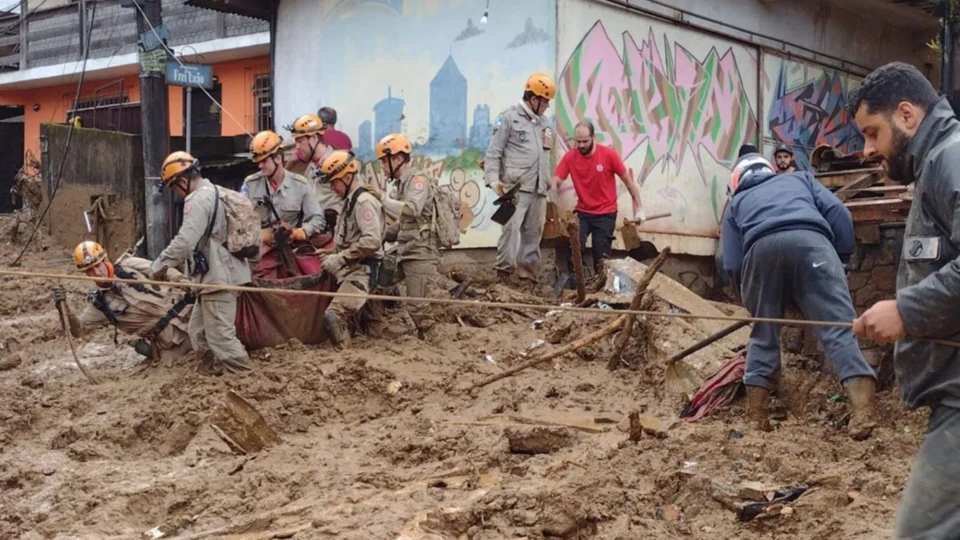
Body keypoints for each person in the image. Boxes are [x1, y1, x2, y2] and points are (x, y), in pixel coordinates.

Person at [848, 61, 960, 539]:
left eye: (873, 133)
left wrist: (907, 311)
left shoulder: (949, 160)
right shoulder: (937, 165)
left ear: (907, 114)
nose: (868, 150)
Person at [721, 152, 877, 439]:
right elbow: (840, 214)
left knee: (763, 333)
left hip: (761, 251)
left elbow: (731, 261)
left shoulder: (736, 204)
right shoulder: (801, 179)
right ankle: (863, 413)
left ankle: (756, 417)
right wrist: (839, 255)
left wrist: (754, 298)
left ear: (736, 181)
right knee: (839, 328)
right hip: (813, 243)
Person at [150, 151, 252, 374]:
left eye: (174, 187)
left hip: (218, 276)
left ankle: (245, 378)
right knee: (198, 331)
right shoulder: (214, 192)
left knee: (221, 338)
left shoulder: (197, 199)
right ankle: (210, 375)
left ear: (183, 180)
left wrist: (159, 265)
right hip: (213, 276)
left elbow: (186, 240)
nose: (175, 193)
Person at [49, 241, 193, 361]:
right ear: (85, 273)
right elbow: (78, 330)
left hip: (189, 316)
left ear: (105, 259)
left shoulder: (130, 264)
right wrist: (62, 307)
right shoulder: (99, 304)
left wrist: (182, 281)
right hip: (172, 343)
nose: (97, 272)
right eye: (90, 270)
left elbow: (162, 270)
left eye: (98, 265)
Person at [484, 72, 556, 285]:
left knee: (534, 235)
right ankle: (504, 276)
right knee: (511, 232)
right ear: (533, 99)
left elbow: (545, 153)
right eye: (545, 101)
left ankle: (527, 279)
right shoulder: (508, 118)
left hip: (539, 188)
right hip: (516, 188)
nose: (547, 106)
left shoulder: (544, 123)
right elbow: (493, 152)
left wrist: (547, 179)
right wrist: (493, 180)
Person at [368, 133, 440, 337]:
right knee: (378, 285)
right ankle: (375, 331)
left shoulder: (418, 181)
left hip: (420, 252)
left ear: (398, 159)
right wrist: (379, 234)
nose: (382, 166)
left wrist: (381, 198)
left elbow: (411, 210)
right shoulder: (401, 185)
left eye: (384, 160)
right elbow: (404, 225)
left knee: (418, 307)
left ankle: (432, 341)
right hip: (404, 250)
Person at [552, 120, 643, 273]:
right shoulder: (570, 157)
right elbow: (556, 180)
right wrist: (553, 192)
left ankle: (600, 289)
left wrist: (640, 208)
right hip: (583, 212)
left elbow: (629, 183)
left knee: (601, 258)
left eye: (585, 142)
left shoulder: (608, 155)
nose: (580, 145)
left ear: (593, 137)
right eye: (578, 141)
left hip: (605, 214)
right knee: (574, 250)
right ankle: (576, 288)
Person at [317, 150, 384, 349]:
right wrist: (332, 253)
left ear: (347, 177)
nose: (332, 187)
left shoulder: (363, 202)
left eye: (334, 181)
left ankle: (344, 357)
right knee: (370, 329)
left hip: (363, 272)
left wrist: (341, 258)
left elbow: (372, 241)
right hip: (354, 269)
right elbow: (352, 238)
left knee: (333, 316)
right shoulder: (350, 202)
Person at [243, 130, 325, 250]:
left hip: (290, 248)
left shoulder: (300, 185)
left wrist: (299, 232)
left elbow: (318, 219)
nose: (260, 166)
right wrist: (260, 234)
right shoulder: (250, 184)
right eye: (258, 162)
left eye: (264, 161)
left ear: (277, 159)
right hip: (258, 249)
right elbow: (239, 220)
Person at [291, 113, 342, 224]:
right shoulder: (310, 169)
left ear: (314, 138)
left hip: (335, 232)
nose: (297, 147)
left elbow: (354, 197)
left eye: (300, 141)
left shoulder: (337, 162)